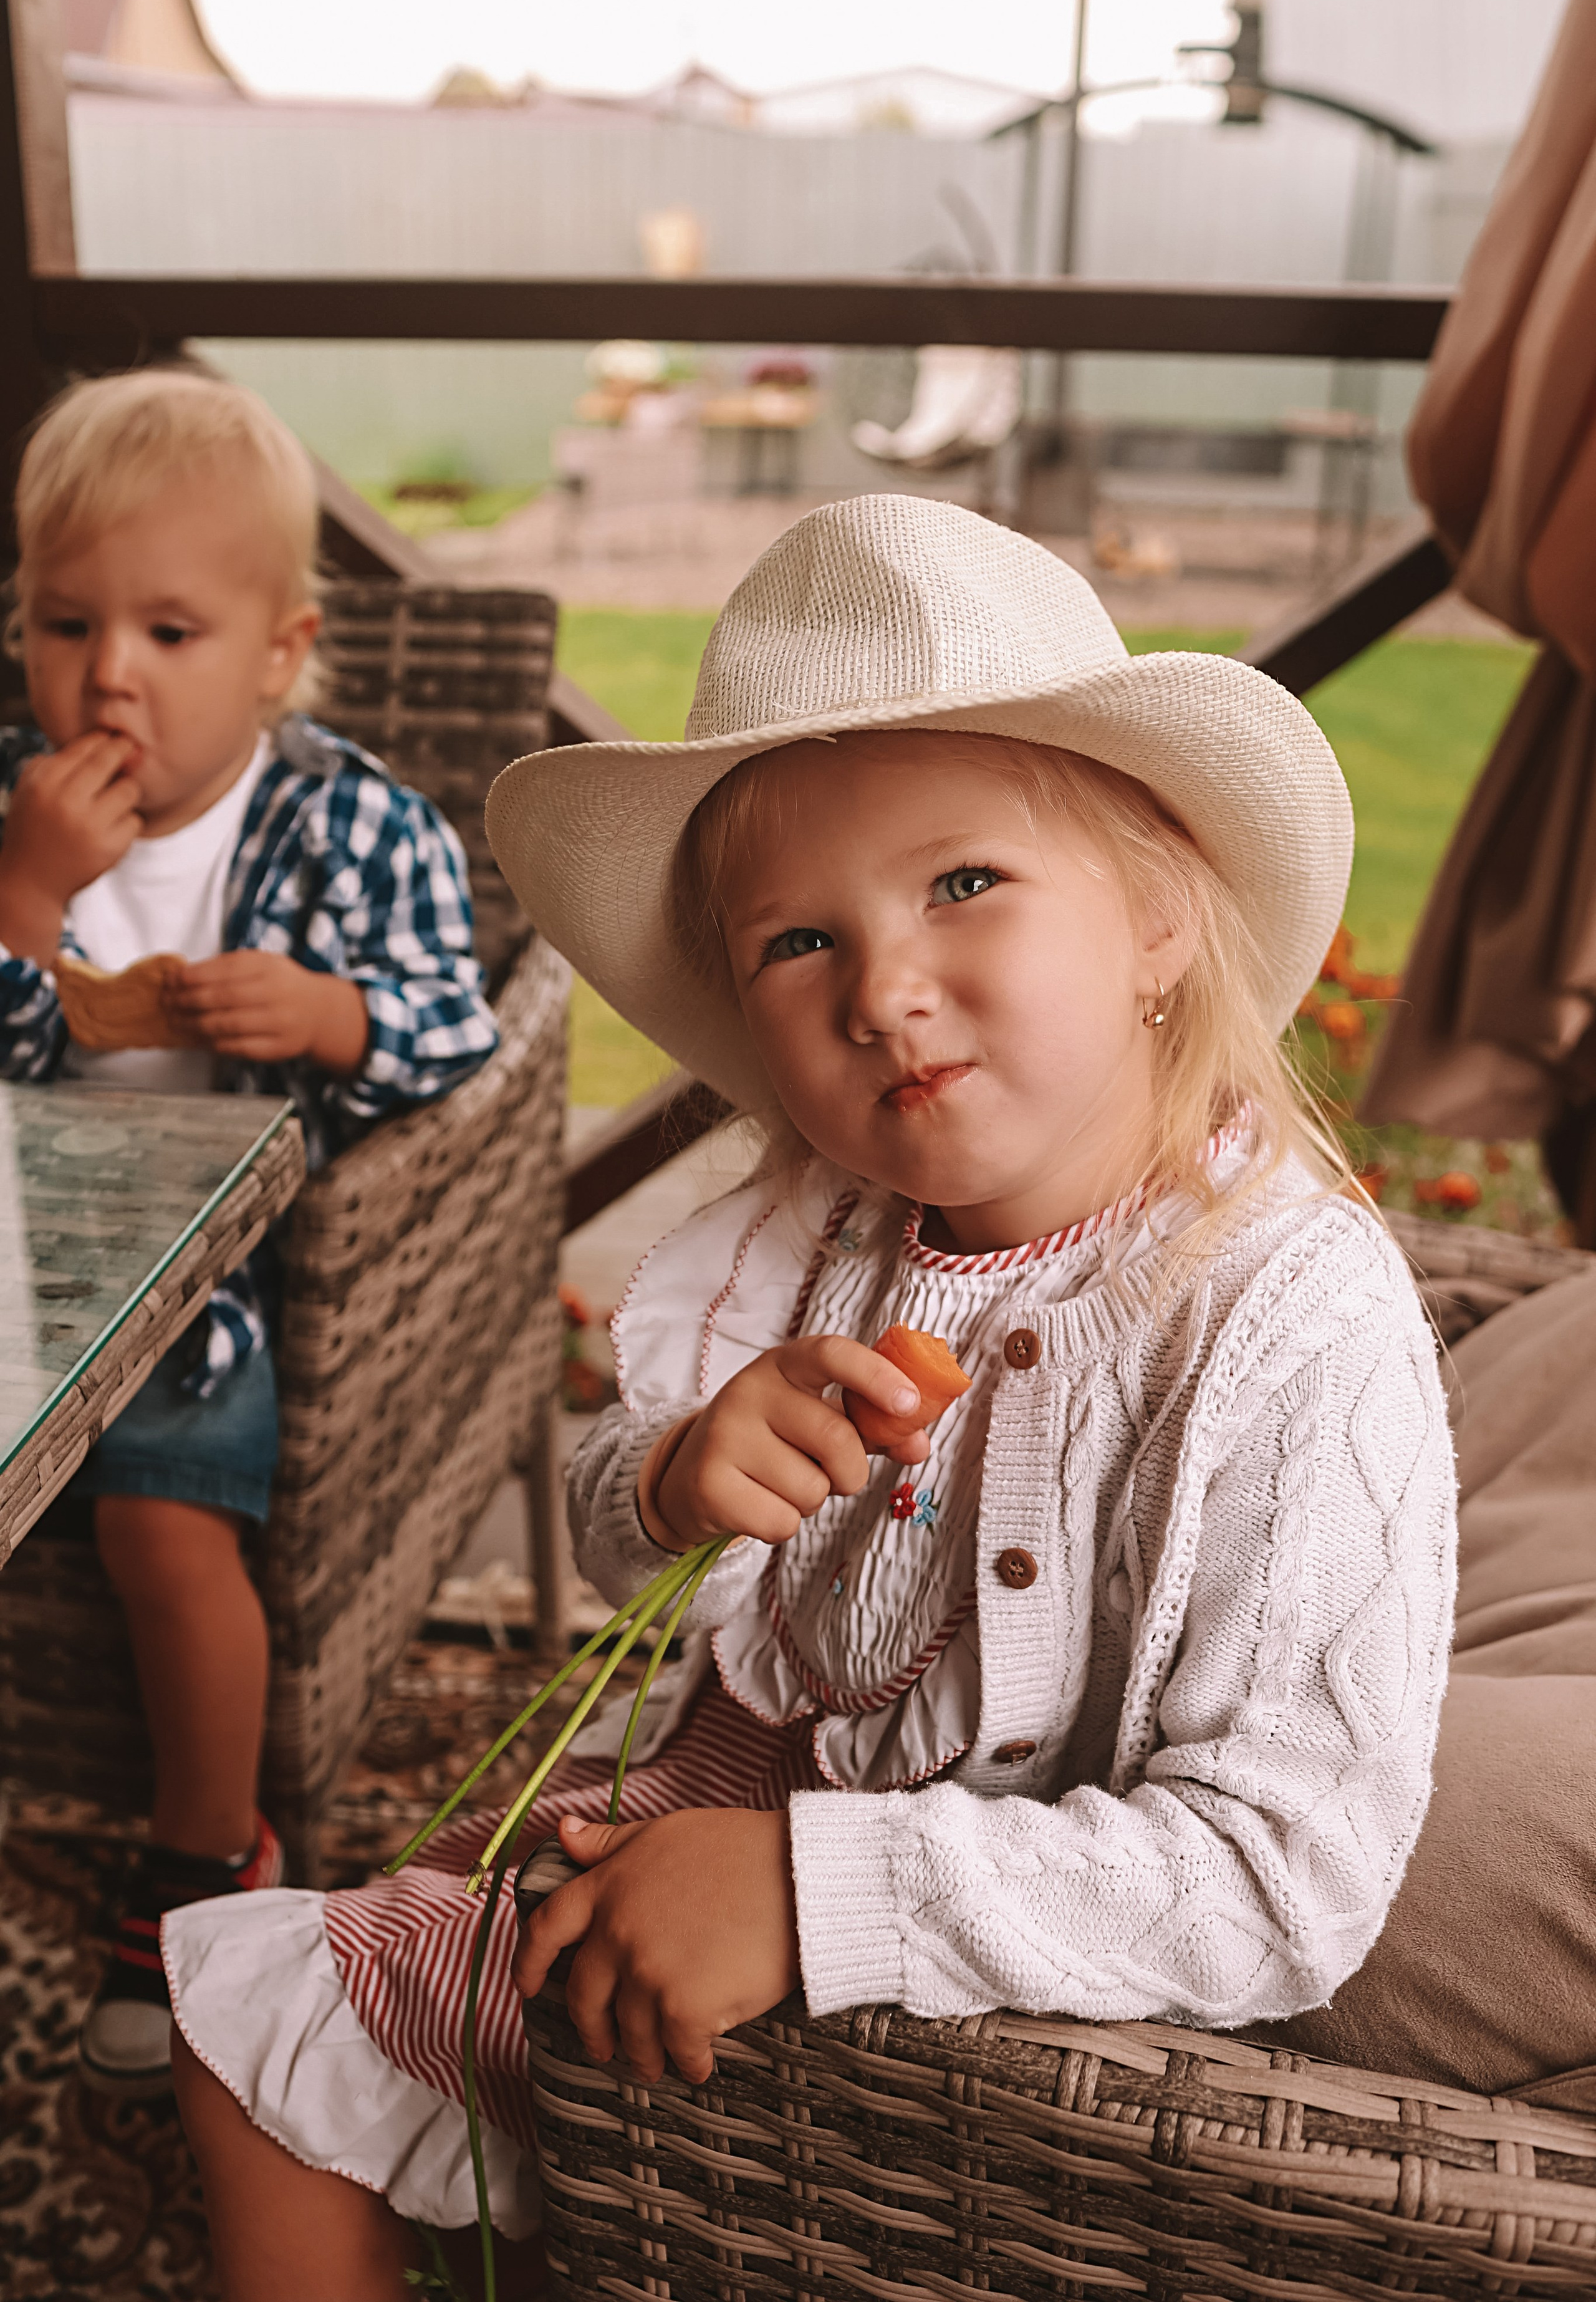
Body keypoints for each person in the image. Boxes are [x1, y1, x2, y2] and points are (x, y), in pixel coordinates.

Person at [165, 496, 1456, 2302]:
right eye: (797, 943)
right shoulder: (824, 1230)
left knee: (331, 2042)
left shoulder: (1284, 1314)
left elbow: (1282, 1876)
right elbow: (623, 1527)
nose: (885, 992)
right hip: (710, 1796)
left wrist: (804, 1891)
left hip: (980, 1961)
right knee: (283, 2024)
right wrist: (678, 1481)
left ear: (1162, 912)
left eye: (963, 883)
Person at [0, 367, 499, 2098]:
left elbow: (463, 1033)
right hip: (26, 1242)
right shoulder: (17, 812)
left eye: (168, 631)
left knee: (162, 1525)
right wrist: (24, 897)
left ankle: (205, 1843)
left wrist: (333, 1018)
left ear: (281, 655)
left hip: (220, 1280)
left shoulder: (351, 826)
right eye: (65, 624)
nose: (108, 675)